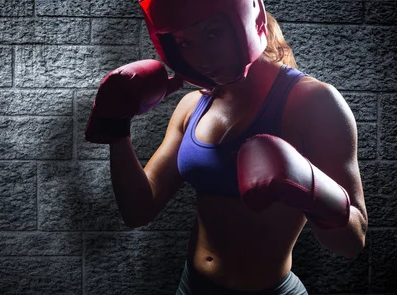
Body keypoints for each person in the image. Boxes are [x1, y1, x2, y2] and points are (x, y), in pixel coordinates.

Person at [84, 0, 368, 294]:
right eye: (185, 42)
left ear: (244, 23)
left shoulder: (313, 103)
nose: (200, 57)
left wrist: (310, 187)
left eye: (212, 34)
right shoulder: (192, 106)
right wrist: (117, 128)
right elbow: (138, 209)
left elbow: (352, 242)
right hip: (192, 286)